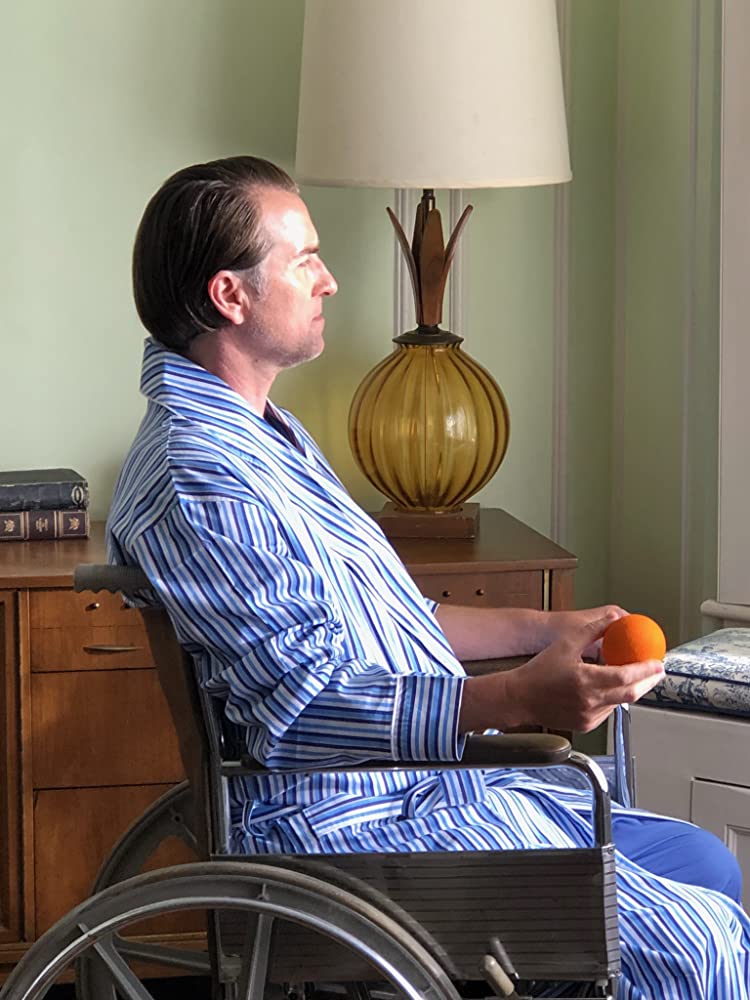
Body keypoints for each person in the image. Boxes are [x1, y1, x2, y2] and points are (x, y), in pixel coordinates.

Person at [108, 156, 750, 999]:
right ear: (231, 296)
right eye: (305, 260)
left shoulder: (264, 436)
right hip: (356, 820)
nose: (329, 281)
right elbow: (303, 706)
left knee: (704, 860)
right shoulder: (203, 475)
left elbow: (396, 616)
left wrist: (546, 630)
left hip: (417, 786)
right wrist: (516, 698)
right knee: (699, 944)